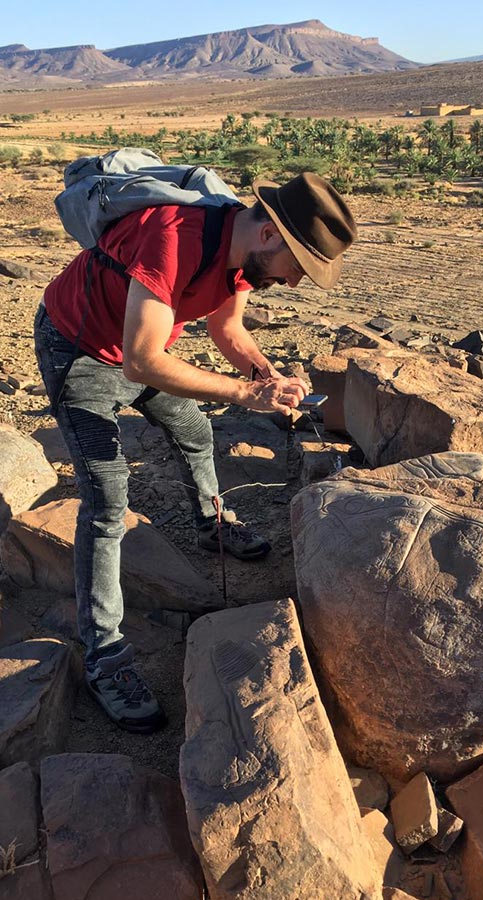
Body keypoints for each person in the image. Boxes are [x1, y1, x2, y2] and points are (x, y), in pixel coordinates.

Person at [34, 172, 357, 734]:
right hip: (80, 350)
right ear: (269, 237)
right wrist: (241, 394)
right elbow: (142, 361)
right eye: (299, 267)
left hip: (139, 352)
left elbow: (227, 329)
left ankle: (212, 525)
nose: (297, 282)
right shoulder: (174, 237)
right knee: (108, 503)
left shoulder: (240, 257)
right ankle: (104, 654)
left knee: (194, 431)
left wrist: (268, 377)